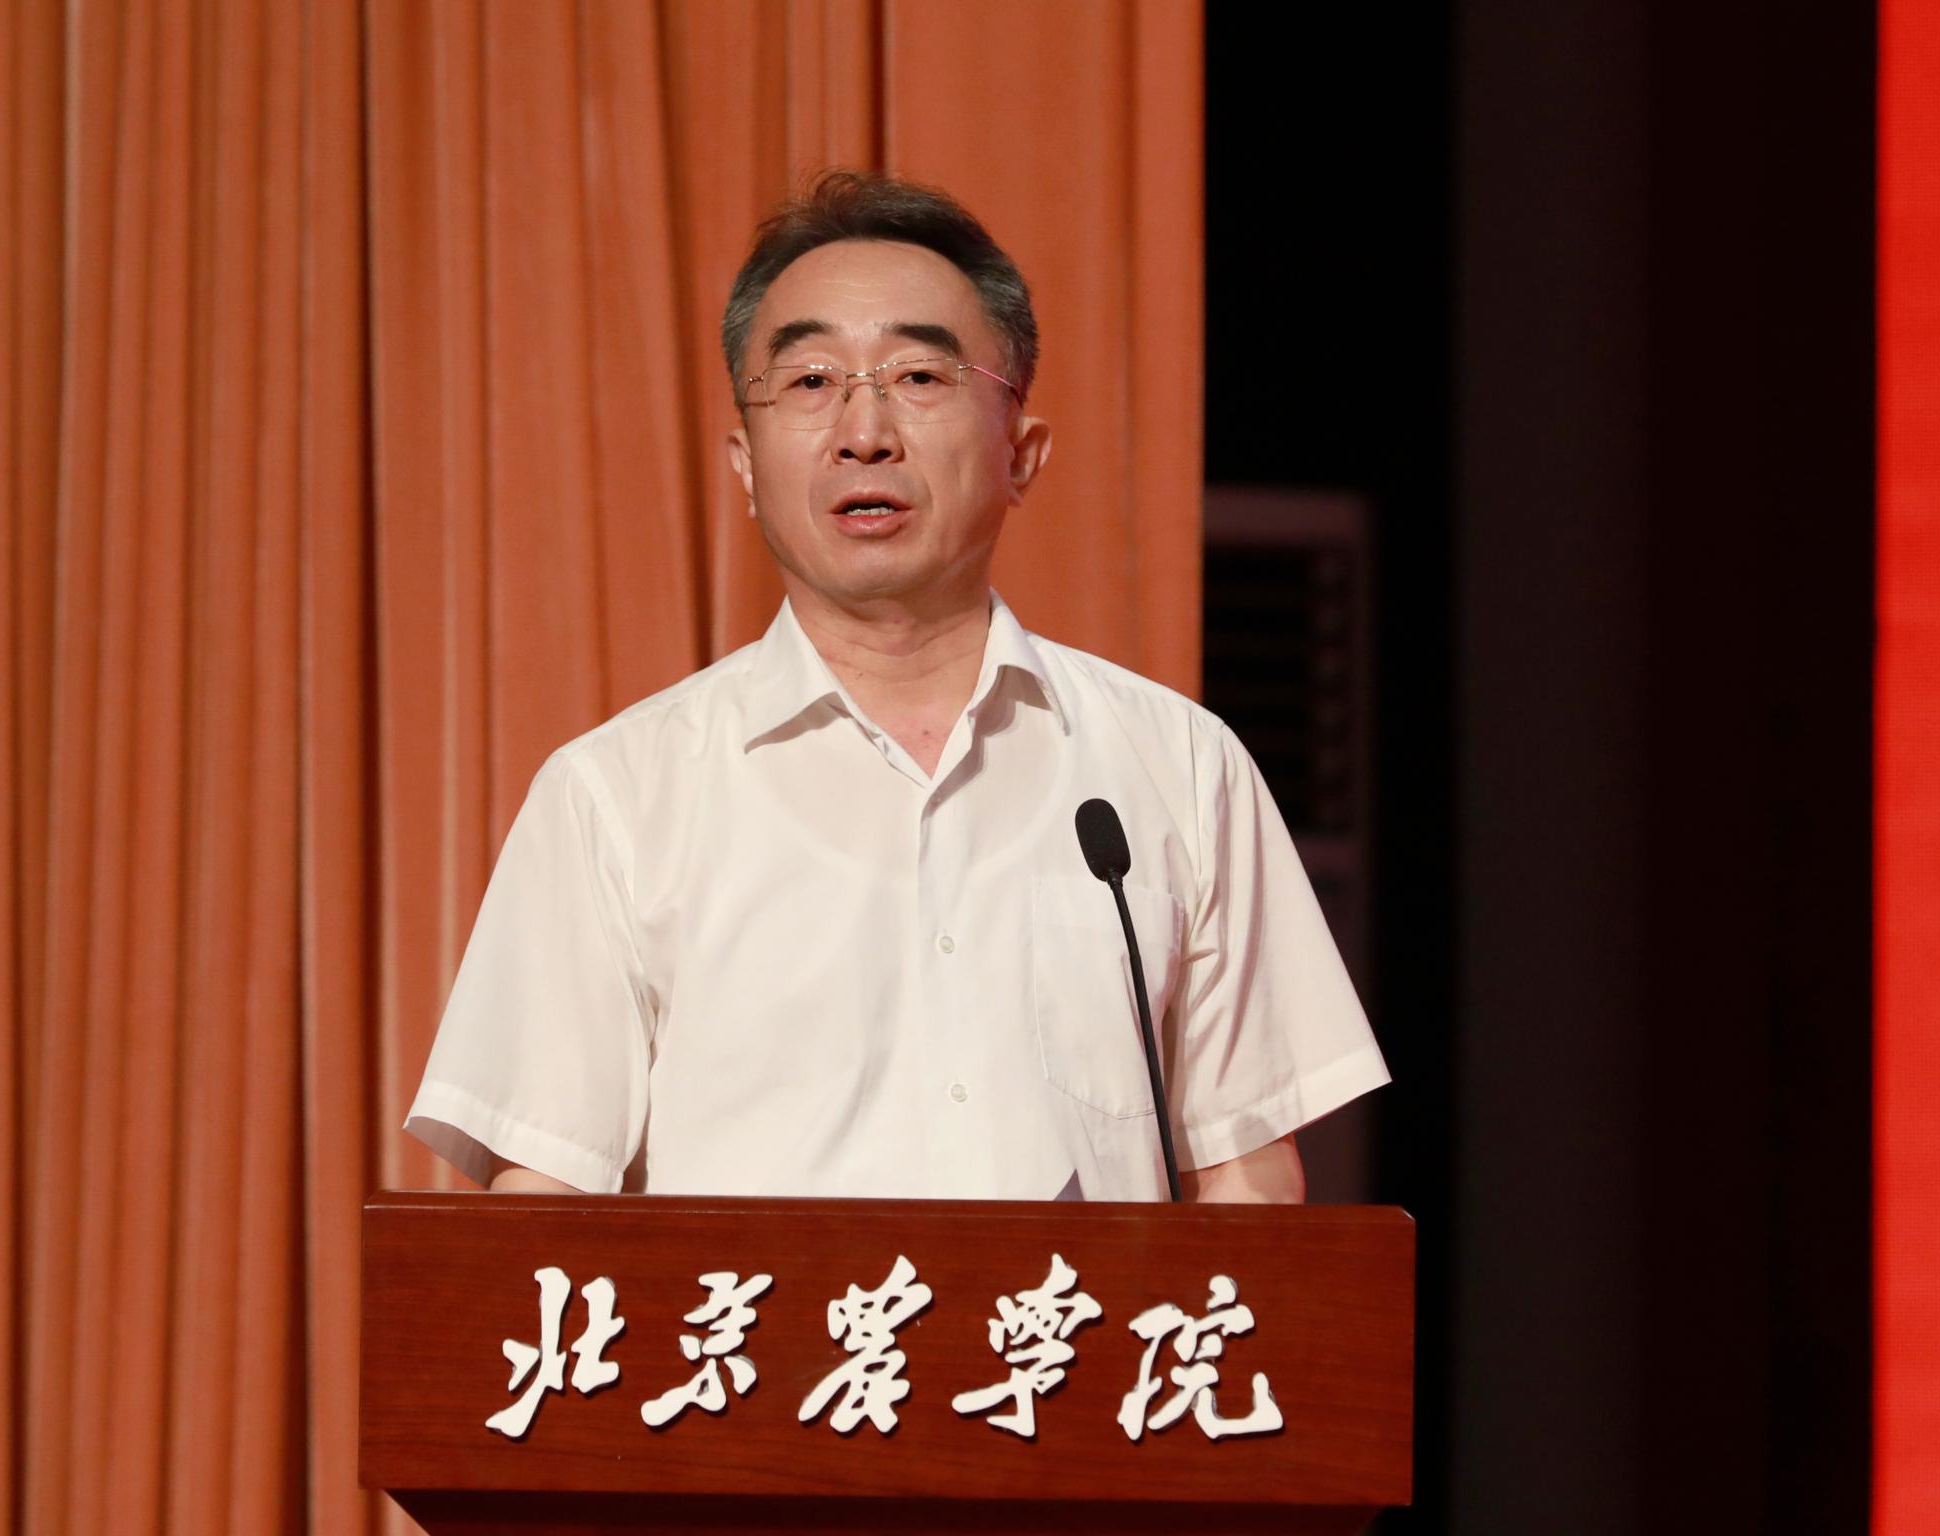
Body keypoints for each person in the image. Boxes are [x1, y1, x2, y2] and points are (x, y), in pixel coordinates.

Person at [404, 171, 1388, 1203]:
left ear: (1020, 452)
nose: (862, 431)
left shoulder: (1178, 766)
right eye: (809, 381)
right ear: (745, 467)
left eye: (918, 376)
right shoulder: (615, 796)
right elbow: (542, 1209)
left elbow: (1246, 1182)